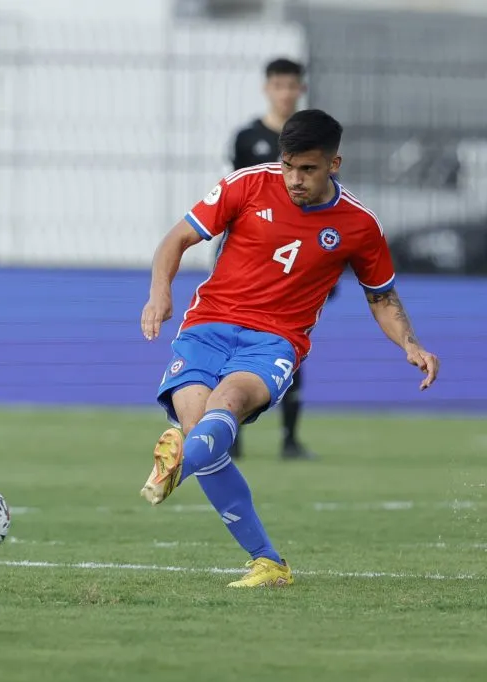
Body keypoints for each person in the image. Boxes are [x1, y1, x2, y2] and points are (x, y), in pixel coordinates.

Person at [139, 110, 439, 588]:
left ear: (333, 164)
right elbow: (176, 240)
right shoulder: (248, 184)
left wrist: (410, 342)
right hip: (206, 327)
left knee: (227, 406)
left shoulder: (359, 225)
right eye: (288, 167)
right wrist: (160, 293)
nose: (294, 180)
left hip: (274, 342)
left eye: (308, 170)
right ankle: (269, 563)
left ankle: (175, 465)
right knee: (204, 436)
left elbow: (381, 296)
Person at [224, 57, 331, 461]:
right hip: (248, 260)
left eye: (292, 86)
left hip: (298, 260)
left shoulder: (314, 143)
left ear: (300, 89)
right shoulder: (247, 138)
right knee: (235, 342)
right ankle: (231, 434)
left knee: (291, 340)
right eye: (279, 85)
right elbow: (231, 198)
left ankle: (290, 437)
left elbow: (325, 201)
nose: (285, 93)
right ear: (267, 88)